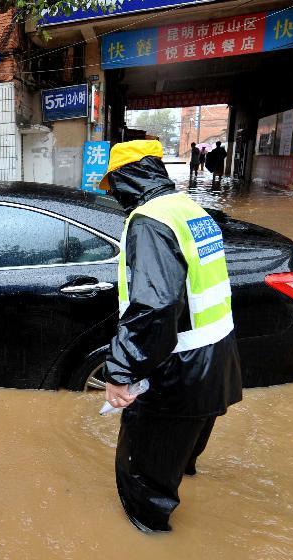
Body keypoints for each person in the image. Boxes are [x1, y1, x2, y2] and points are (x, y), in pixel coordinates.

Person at [97, 140, 242, 533]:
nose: (114, 197)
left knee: (141, 476)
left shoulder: (149, 222)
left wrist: (120, 370)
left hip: (179, 370)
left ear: (126, 178)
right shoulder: (188, 209)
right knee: (182, 452)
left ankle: (151, 546)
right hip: (217, 359)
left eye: (113, 187)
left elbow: (156, 306)